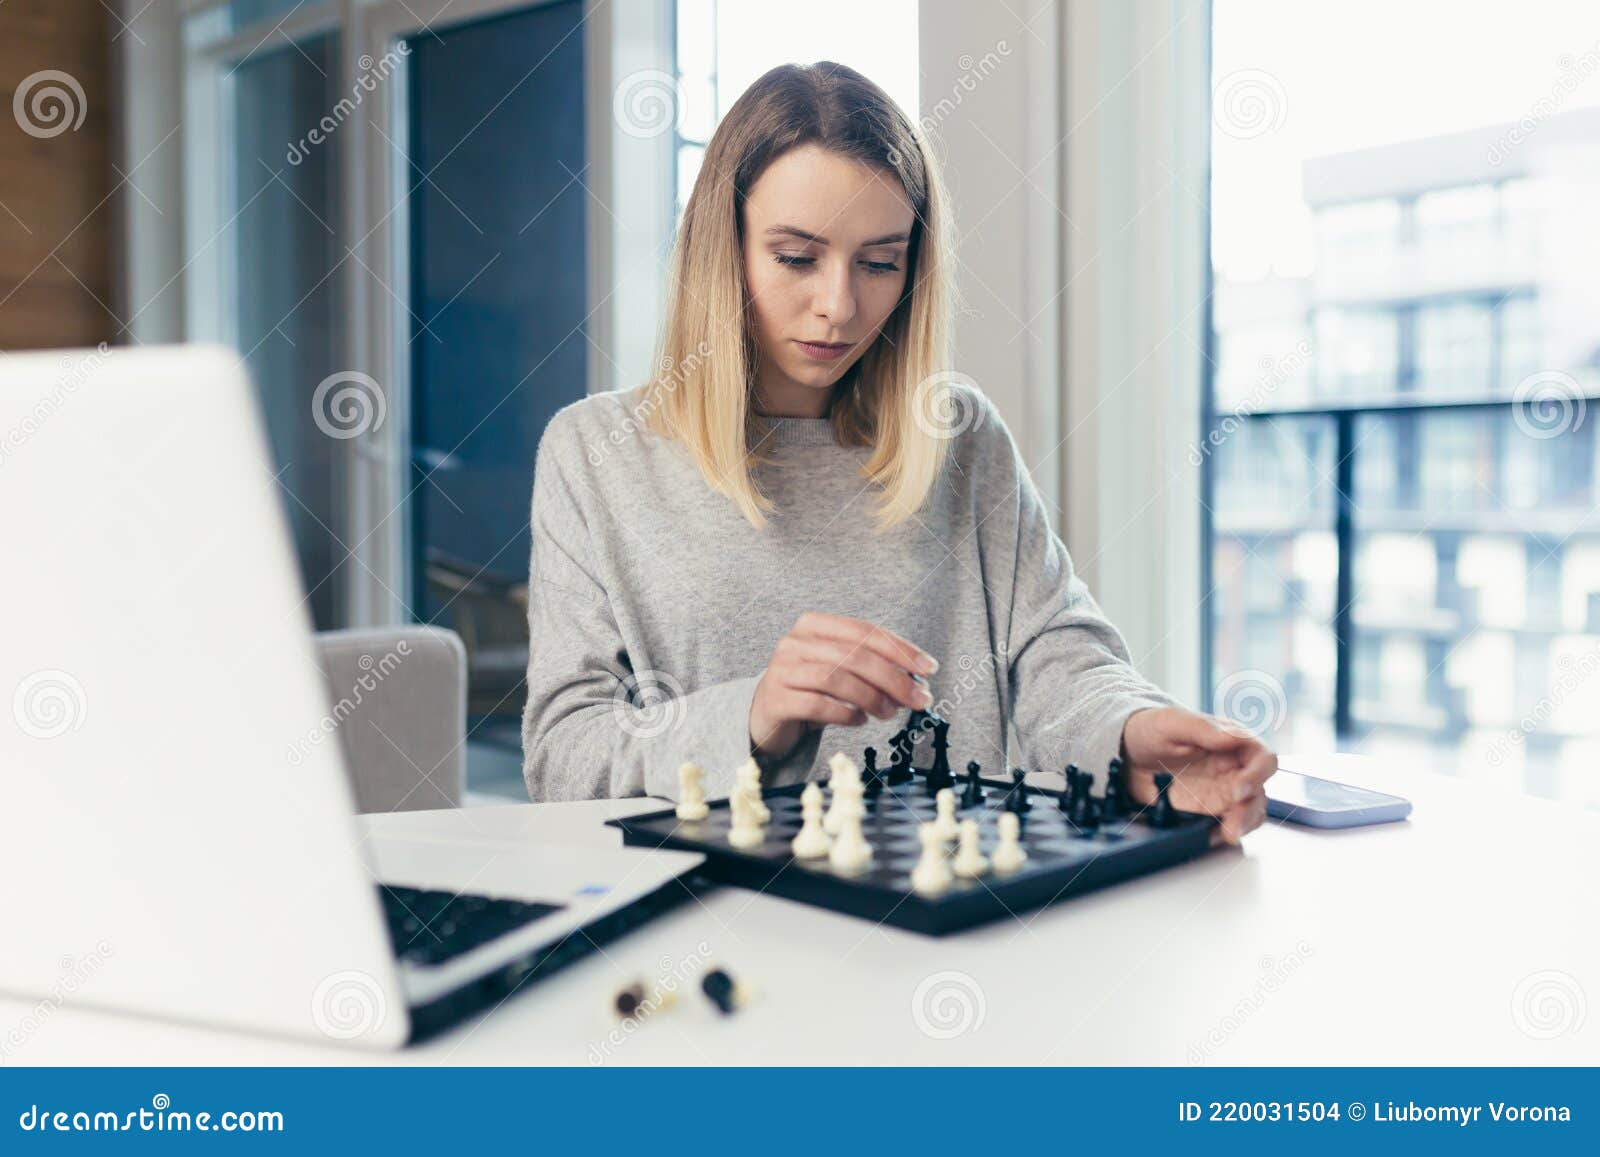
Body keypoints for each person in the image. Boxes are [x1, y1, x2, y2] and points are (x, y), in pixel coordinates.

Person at [521, 61, 1275, 843]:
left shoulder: (958, 433)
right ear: (725, 248)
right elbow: (563, 758)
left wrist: (1130, 730)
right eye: (795, 257)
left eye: (880, 262)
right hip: (703, 910)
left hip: (941, 917)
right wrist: (756, 713)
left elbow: (1052, 650)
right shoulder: (593, 453)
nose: (839, 306)